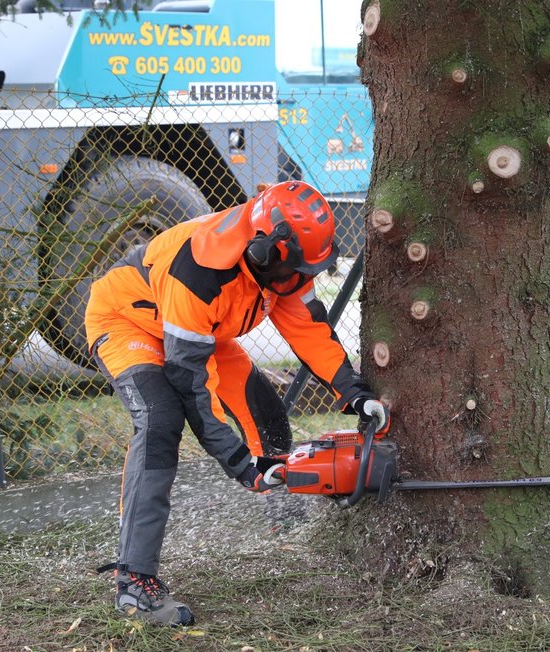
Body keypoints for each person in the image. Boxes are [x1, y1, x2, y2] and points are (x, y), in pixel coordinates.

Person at [84, 180, 389, 627]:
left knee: (266, 415)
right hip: (131, 319)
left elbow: (309, 329)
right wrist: (240, 464)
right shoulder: (200, 273)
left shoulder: (283, 265)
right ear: (264, 252)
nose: (298, 283)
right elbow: (192, 390)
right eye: (294, 273)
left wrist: (354, 393)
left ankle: (284, 521)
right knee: (161, 419)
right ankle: (134, 583)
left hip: (201, 329)